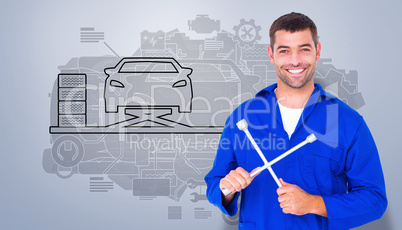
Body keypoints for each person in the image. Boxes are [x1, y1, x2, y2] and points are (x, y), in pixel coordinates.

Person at [205, 12, 387, 229]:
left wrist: (314, 203)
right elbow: (215, 184)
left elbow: (374, 200)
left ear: (317, 51)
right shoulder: (242, 118)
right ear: (271, 54)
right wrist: (227, 189)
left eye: (304, 49)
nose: (295, 60)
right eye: (284, 50)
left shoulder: (347, 121)